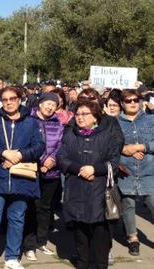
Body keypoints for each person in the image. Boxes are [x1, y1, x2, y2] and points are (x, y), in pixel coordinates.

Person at [0, 86, 45, 269]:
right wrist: (4, 153)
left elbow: (39, 147)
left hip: (22, 178)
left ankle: (12, 257)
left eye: (12, 98)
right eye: (5, 99)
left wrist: (19, 155)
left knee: (17, 217)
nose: (9, 102)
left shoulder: (31, 122)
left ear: (20, 99)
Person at [57, 100, 120, 269]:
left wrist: (94, 169)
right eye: (77, 114)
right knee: (80, 238)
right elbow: (61, 158)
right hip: (76, 190)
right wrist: (79, 169)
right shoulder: (70, 134)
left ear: (95, 117)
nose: (80, 117)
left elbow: (114, 162)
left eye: (85, 114)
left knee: (100, 238)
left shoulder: (106, 135)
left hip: (99, 192)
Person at [23, 93, 64, 261]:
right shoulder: (29, 120)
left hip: (52, 172)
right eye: (47, 103)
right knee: (31, 207)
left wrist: (52, 160)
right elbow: (26, 143)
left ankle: (42, 241)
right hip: (32, 169)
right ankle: (29, 245)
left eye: (53, 104)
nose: (49, 107)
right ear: (39, 104)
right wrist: (41, 160)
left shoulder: (58, 122)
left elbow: (61, 144)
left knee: (46, 209)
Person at [117, 89, 154, 256]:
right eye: (128, 100)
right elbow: (109, 144)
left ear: (140, 102)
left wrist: (142, 147)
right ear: (122, 104)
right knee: (128, 205)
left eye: (135, 100)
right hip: (126, 170)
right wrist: (124, 149)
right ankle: (132, 238)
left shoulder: (150, 120)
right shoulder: (115, 122)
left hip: (148, 171)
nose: (132, 103)